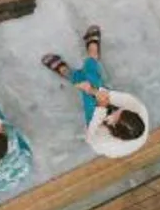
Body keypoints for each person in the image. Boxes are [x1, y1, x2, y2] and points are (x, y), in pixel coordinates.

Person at [41, 24, 149, 158]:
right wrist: (92, 90)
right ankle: (76, 66)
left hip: (97, 126)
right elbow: (108, 95)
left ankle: (83, 60)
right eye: (120, 110)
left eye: (115, 114)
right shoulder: (137, 108)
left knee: (89, 97)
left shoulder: (101, 140)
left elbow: (91, 131)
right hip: (114, 126)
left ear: (112, 126)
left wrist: (100, 105)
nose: (116, 110)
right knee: (92, 82)